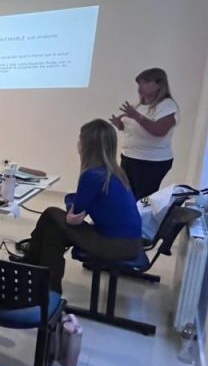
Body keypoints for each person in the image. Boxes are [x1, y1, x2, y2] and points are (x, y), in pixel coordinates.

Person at [21, 120, 143, 293]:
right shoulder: (115, 172)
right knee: (53, 233)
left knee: (51, 214)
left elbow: (75, 215)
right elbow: (80, 205)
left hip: (116, 245)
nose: (78, 144)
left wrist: (73, 212)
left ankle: (31, 268)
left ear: (88, 146)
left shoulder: (92, 175)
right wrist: (75, 208)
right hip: (131, 243)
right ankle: (44, 286)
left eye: (80, 140)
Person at [109, 67, 179, 200]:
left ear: (159, 84)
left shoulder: (167, 105)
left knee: (141, 200)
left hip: (150, 162)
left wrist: (136, 116)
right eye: (139, 83)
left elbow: (159, 131)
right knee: (126, 197)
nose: (140, 86)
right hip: (129, 157)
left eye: (145, 82)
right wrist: (120, 125)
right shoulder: (138, 105)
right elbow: (135, 129)